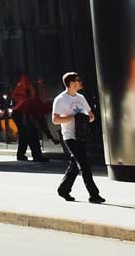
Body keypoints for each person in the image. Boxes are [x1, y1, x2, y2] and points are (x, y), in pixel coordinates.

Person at [52, 71, 104, 204]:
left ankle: (63, 189)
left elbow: (91, 116)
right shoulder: (60, 99)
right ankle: (94, 195)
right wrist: (73, 118)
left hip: (81, 136)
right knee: (84, 165)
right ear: (71, 83)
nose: (80, 82)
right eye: (78, 80)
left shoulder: (80, 98)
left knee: (75, 164)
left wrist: (86, 119)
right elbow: (55, 120)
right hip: (69, 137)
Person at [12, 74, 47, 162]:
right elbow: (26, 116)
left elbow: (42, 123)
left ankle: (24, 155)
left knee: (27, 134)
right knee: (30, 133)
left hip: (20, 113)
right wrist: (28, 124)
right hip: (19, 113)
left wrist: (50, 136)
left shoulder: (39, 108)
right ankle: (36, 156)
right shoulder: (33, 104)